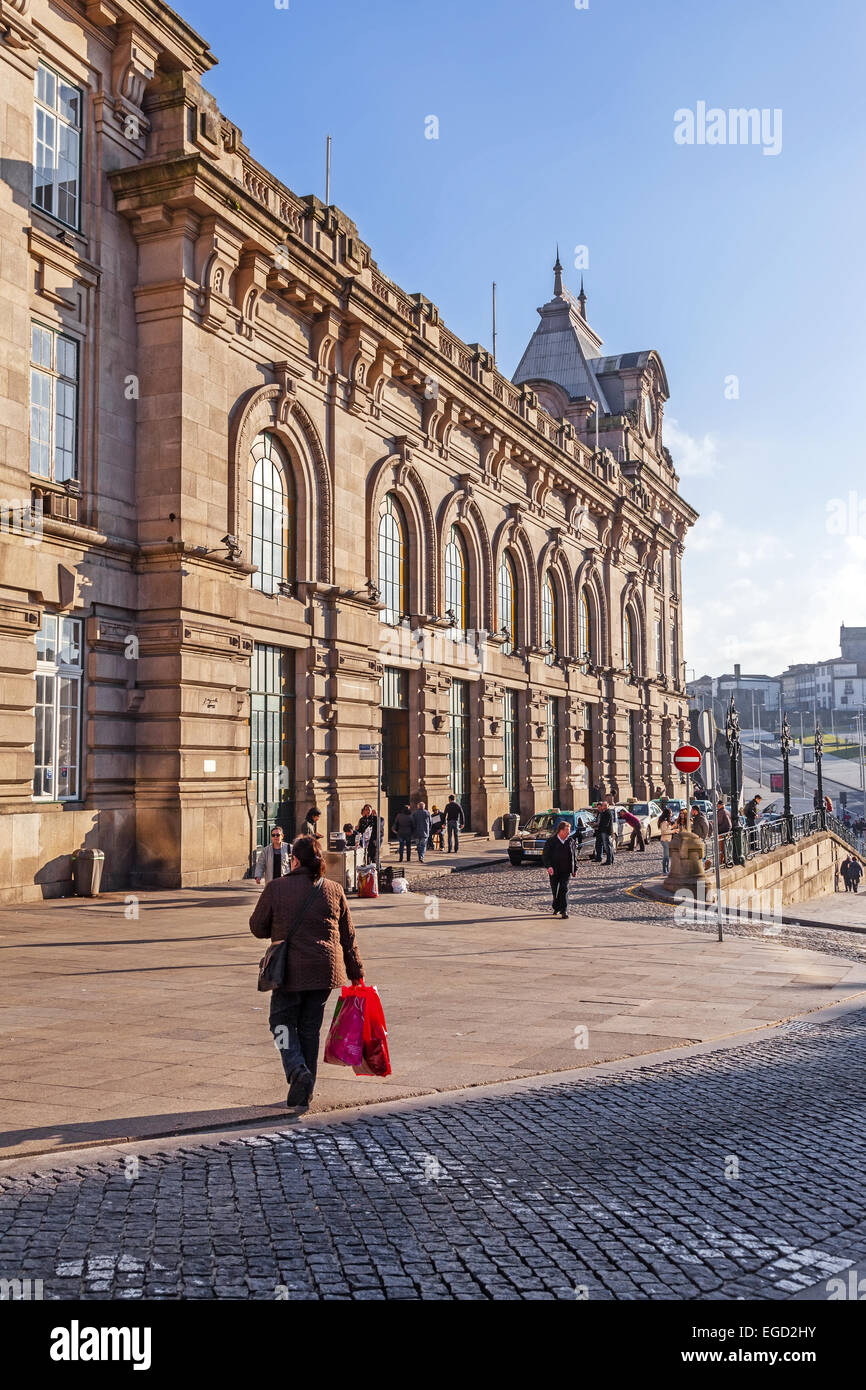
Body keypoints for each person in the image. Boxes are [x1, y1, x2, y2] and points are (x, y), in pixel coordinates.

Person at [249, 834, 364, 1111]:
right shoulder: (334, 890)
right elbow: (348, 936)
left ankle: (297, 1070)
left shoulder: (277, 888)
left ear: (295, 860)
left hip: (289, 972)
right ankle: (305, 1091)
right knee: (310, 1029)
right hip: (325, 971)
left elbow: (257, 927)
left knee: (280, 1024)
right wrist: (356, 973)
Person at [541, 818, 579, 919]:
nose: (569, 832)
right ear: (561, 831)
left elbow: (574, 856)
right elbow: (545, 855)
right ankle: (556, 906)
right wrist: (548, 866)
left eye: (569, 830)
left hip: (565, 870)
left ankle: (564, 910)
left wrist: (574, 869)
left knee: (564, 889)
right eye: (567, 830)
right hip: (554, 870)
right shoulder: (551, 841)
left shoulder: (571, 841)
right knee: (555, 890)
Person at [595, 801, 615, 865]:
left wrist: (597, 825)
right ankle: (611, 860)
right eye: (603, 805)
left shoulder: (607, 813)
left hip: (606, 832)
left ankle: (609, 861)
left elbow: (605, 824)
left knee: (607, 847)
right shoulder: (604, 812)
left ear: (608, 806)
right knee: (608, 846)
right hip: (604, 831)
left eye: (605, 805)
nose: (604, 807)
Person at [658, 806, 674, 876]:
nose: (671, 814)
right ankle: (665, 870)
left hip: (667, 840)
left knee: (667, 856)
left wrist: (674, 828)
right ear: (668, 814)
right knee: (666, 856)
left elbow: (668, 829)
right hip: (665, 840)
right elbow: (664, 832)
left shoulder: (667, 821)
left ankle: (667, 869)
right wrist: (673, 831)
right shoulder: (664, 822)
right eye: (671, 813)